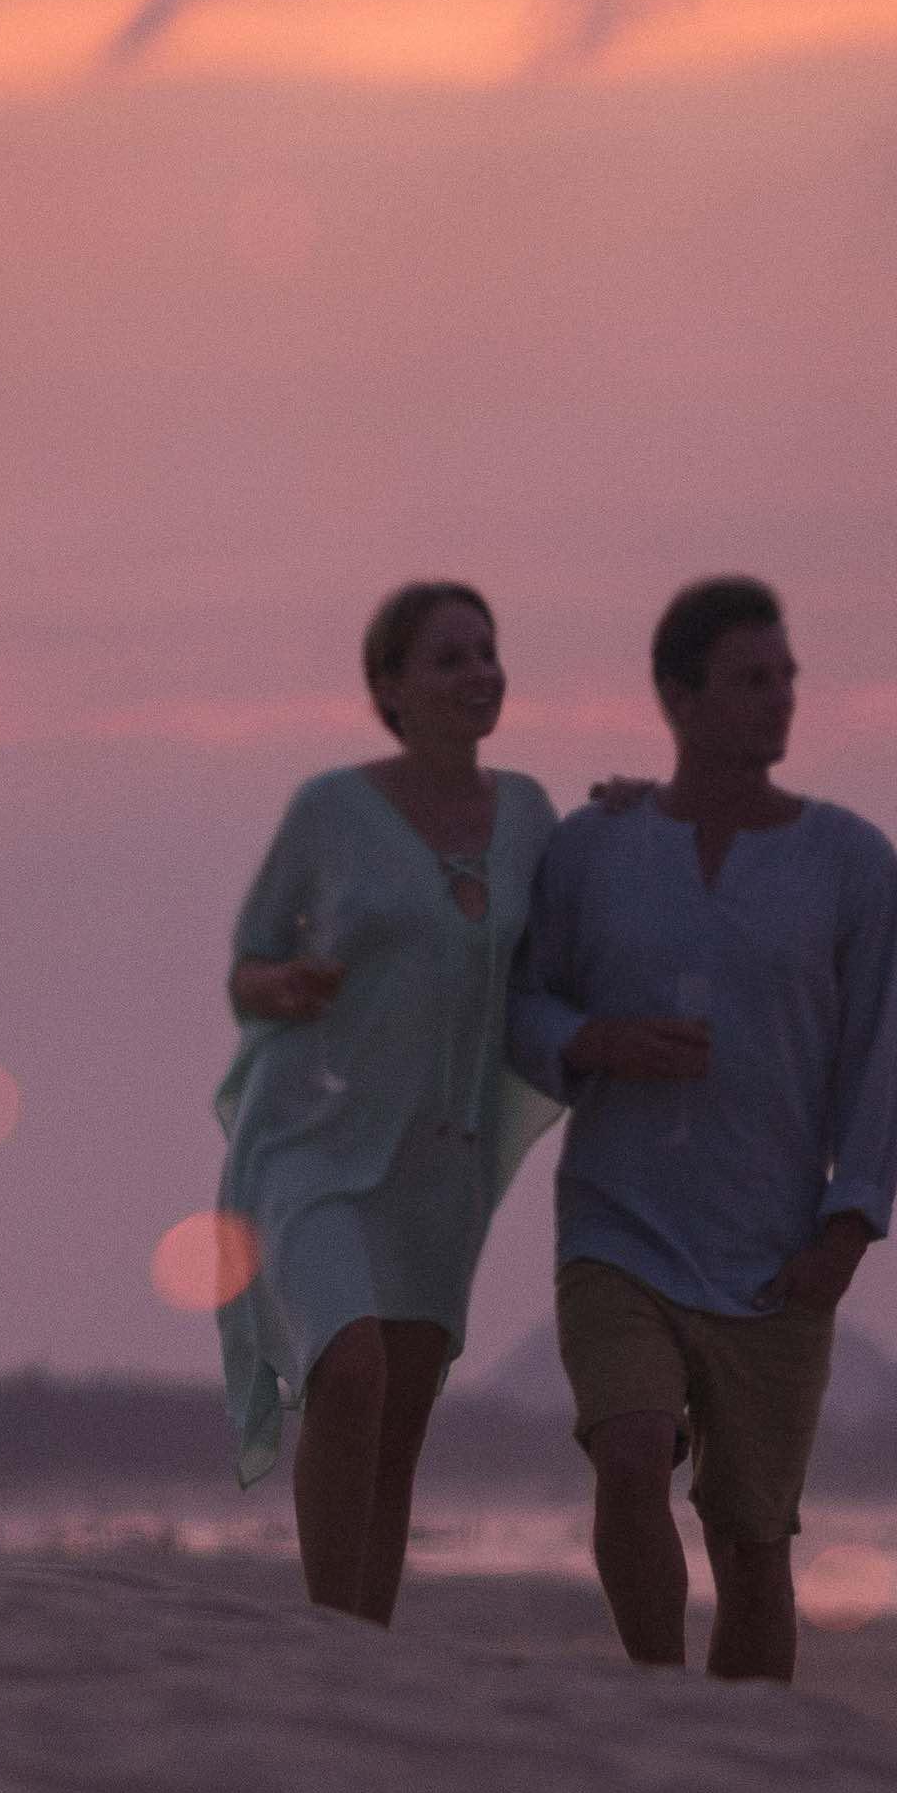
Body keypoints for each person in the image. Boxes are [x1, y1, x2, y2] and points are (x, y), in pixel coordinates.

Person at [503, 575, 897, 1682]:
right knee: (629, 1454)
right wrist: (595, 1041)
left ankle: (750, 1758)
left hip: (773, 1247)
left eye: (785, 679)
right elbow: (523, 1003)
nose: (777, 700)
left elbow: (876, 1056)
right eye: (748, 680)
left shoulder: (852, 863)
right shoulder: (594, 847)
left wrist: (849, 1225)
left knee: (752, 1540)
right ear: (678, 697)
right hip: (618, 1223)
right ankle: (655, 1695)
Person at [208, 580, 556, 1621]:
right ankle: (327, 1632)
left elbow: (578, 940)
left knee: (399, 1412)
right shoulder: (331, 810)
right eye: (449, 658)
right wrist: (286, 985)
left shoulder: (534, 816)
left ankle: (364, 1642)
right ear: (390, 687)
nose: (478, 673)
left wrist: (634, 814)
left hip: (438, 1157)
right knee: (348, 1369)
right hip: (311, 1135)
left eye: (488, 652)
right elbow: (247, 967)